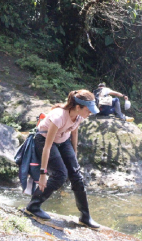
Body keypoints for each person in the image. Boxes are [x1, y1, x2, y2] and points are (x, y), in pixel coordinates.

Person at [25, 90, 101, 228]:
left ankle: (85, 216)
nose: (90, 113)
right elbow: (47, 146)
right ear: (78, 107)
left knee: (76, 175)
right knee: (60, 175)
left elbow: (74, 133)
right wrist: (43, 174)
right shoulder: (59, 117)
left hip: (63, 140)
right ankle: (33, 206)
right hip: (44, 140)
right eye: (88, 110)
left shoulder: (79, 116)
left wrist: (74, 155)